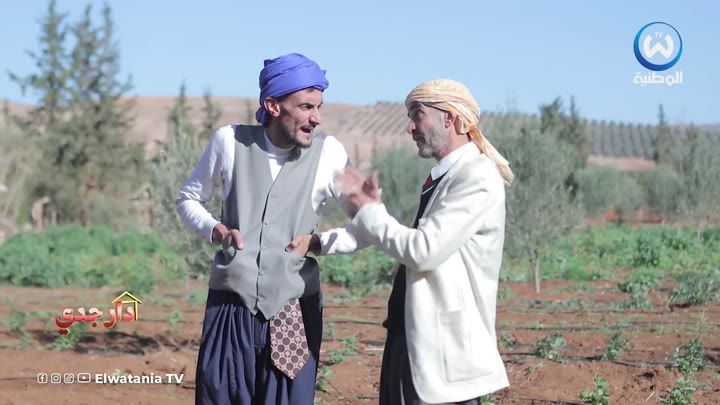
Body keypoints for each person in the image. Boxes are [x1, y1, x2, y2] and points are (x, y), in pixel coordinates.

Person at [175, 52, 368, 405]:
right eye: (306, 107)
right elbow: (188, 199)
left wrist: (320, 242)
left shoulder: (329, 153)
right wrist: (215, 229)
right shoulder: (229, 142)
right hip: (231, 307)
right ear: (273, 106)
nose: (316, 118)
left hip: (292, 311)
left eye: (319, 107)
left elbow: (369, 223)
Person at [335, 78, 514, 405]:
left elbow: (423, 251)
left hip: (443, 352)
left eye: (418, 114)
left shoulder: (477, 176)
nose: (410, 127)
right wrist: (331, 236)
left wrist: (370, 211)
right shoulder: (447, 177)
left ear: (451, 118)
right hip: (414, 342)